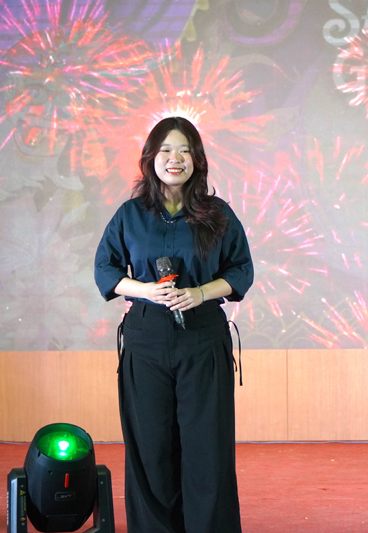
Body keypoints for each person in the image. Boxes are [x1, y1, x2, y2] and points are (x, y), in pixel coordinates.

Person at [95, 116, 253, 532]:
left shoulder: (218, 214)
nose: (174, 158)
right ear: (151, 158)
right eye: (165, 150)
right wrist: (147, 291)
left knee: (207, 447)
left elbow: (241, 271)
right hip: (146, 338)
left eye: (184, 150)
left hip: (202, 337)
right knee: (150, 448)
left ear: (197, 159)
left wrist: (200, 293)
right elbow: (105, 270)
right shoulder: (130, 214)